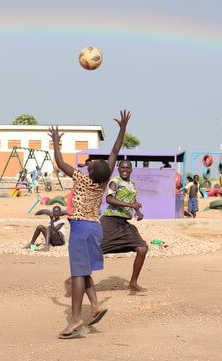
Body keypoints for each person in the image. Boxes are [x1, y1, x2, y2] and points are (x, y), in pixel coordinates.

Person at [49, 109, 130, 340]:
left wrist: (56, 142)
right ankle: (94, 305)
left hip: (82, 229)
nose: (91, 162)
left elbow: (60, 162)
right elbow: (115, 150)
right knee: (84, 271)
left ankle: (75, 320)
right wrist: (122, 128)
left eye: (93, 163)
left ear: (90, 171)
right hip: (95, 228)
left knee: (77, 274)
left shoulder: (82, 178)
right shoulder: (103, 181)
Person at [100, 160, 148, 292]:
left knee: (142, 248)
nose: (125, 169)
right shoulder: (115, 181)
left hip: (123, 223)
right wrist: (131, 206)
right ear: (118, 168)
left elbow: (133, 201)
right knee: (96, 251)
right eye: (122, 167)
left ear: (131, 170)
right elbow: (109, 199)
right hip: (110, 221)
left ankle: (133, 283)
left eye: (127, 167)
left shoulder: (132, 183)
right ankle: (79, 279)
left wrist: (138, 211)